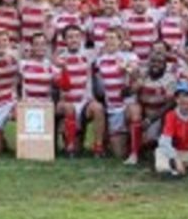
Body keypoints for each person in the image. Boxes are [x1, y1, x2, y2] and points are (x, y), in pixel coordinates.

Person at [54, 24, 106, 157]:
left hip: (84, 103)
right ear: (64, 40)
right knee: (69, 107)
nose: (74, 40)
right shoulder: (58, 58)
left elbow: (108, 45)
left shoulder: (89, 55)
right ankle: (70, 146)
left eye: (77, 36)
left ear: (82, 38)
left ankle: (98, 147)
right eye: (70, 37)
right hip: (66, 103)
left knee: (98, 108)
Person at [93, 28, 140, 159]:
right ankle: (119, 141)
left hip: (127, 104)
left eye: (113, 38)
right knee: (119, 154)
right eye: (107, 38)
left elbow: (137, 74)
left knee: (134, 112)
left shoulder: (130, 56)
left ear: (120, 41)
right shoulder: (100, 60)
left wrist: (127, 68)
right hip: (112, 107)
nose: (110, 41)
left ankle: (135, 153)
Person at [124, 49, 177, 165]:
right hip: (142, 112)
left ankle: (148, 145)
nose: (155, 65)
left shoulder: (170, 79)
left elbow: (171, 104)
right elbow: (123, 94)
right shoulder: (142, 74)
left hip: (158, 116)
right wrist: (133, 87)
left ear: (165, 65)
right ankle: (134, 154)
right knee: (134, 109)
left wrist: (151, 119)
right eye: (153, 61)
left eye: (159, 62)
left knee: (151, 141)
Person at [121, 0, 159, 67]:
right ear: (131, 2)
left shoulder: (156, 14)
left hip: (150, 64)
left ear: (147, 2)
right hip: (132, 64)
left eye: (142, 0)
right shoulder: (124, 15)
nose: (138, 3)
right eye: (135, 0)